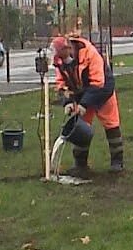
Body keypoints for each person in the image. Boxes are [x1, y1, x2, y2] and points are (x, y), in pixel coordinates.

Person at [53, 34, 124, 175]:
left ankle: (117, 163)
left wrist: (84, 104)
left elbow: (98, 82)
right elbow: (61, 83)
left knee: (111, 124)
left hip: (103, 90)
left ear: (68, 49)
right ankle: (80, 165)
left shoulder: (90, 54)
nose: (59, 59)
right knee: (80, 126)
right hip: (82, 92)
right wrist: (67, 102)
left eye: (60, 54)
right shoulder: (59, 61)